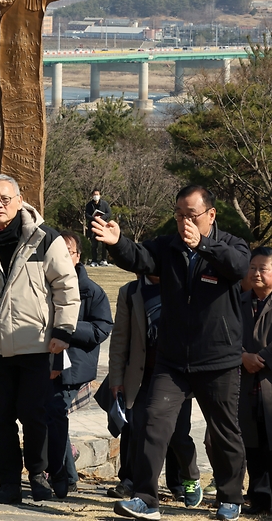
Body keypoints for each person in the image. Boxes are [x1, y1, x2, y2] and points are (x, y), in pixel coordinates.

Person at [93, 184, 250, 521]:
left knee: (224, 431)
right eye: (178, 215)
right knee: (152, 422)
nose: (183, 222)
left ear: (211, 214)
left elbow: (238, 267)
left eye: (190, 215)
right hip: (173, 358)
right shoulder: (169, 245)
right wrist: (117, 243)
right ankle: (146, 500)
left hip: (218, 359)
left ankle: (230, 498)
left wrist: (203, 245)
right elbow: (140, 257)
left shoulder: (231, 244)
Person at [0, 174, 80, 505]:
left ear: (20, 200)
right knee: (1, 417)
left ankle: (38, 476)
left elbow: (66, 287)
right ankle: (9, 481)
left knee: (35, 414)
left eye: (6, 199)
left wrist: (63, 331)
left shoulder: (44, 239)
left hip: (36, 343)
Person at [108, 275, 199, 504]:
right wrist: (116, 378)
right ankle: (141, 491)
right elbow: (120, 338)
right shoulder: (130, 292)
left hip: (176, 376)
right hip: (142, 377)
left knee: (178, 435)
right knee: (139, 432)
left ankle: (186, 479)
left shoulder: (182, 285)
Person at [46, 231, 113, 495]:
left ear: (78, 256)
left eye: (68, 252)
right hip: (43, 362)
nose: (62, 257)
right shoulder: (43, 285)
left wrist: (67, 326)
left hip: (73, 366)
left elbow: (102, 329)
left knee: (55, 412)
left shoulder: (91, 291)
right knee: (49, 415)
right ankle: (66, 475)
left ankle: (62, 476)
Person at [239, 247, 272, 515]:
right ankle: (259, 500)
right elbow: (223, 336)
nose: (256, 273)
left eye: (263, 268)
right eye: (252, 268)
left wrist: (260, 358)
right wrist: (242, 357)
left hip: (269, 382)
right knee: (254, 446)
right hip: (245, 386)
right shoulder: (238, 301)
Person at [85, 188, 111, 266]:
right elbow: (86, 215)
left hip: (103, 226)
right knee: (94, 245)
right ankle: (94, 261)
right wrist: (94, 218)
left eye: (97, 194)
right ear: (92, 195)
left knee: (104, 244)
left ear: (100, 195)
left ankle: (104, 260)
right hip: (93, 227)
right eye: (94, 194)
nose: (96, 196)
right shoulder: (89, 205)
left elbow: (109, 213)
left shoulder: (105, 204)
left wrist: (101, 218)